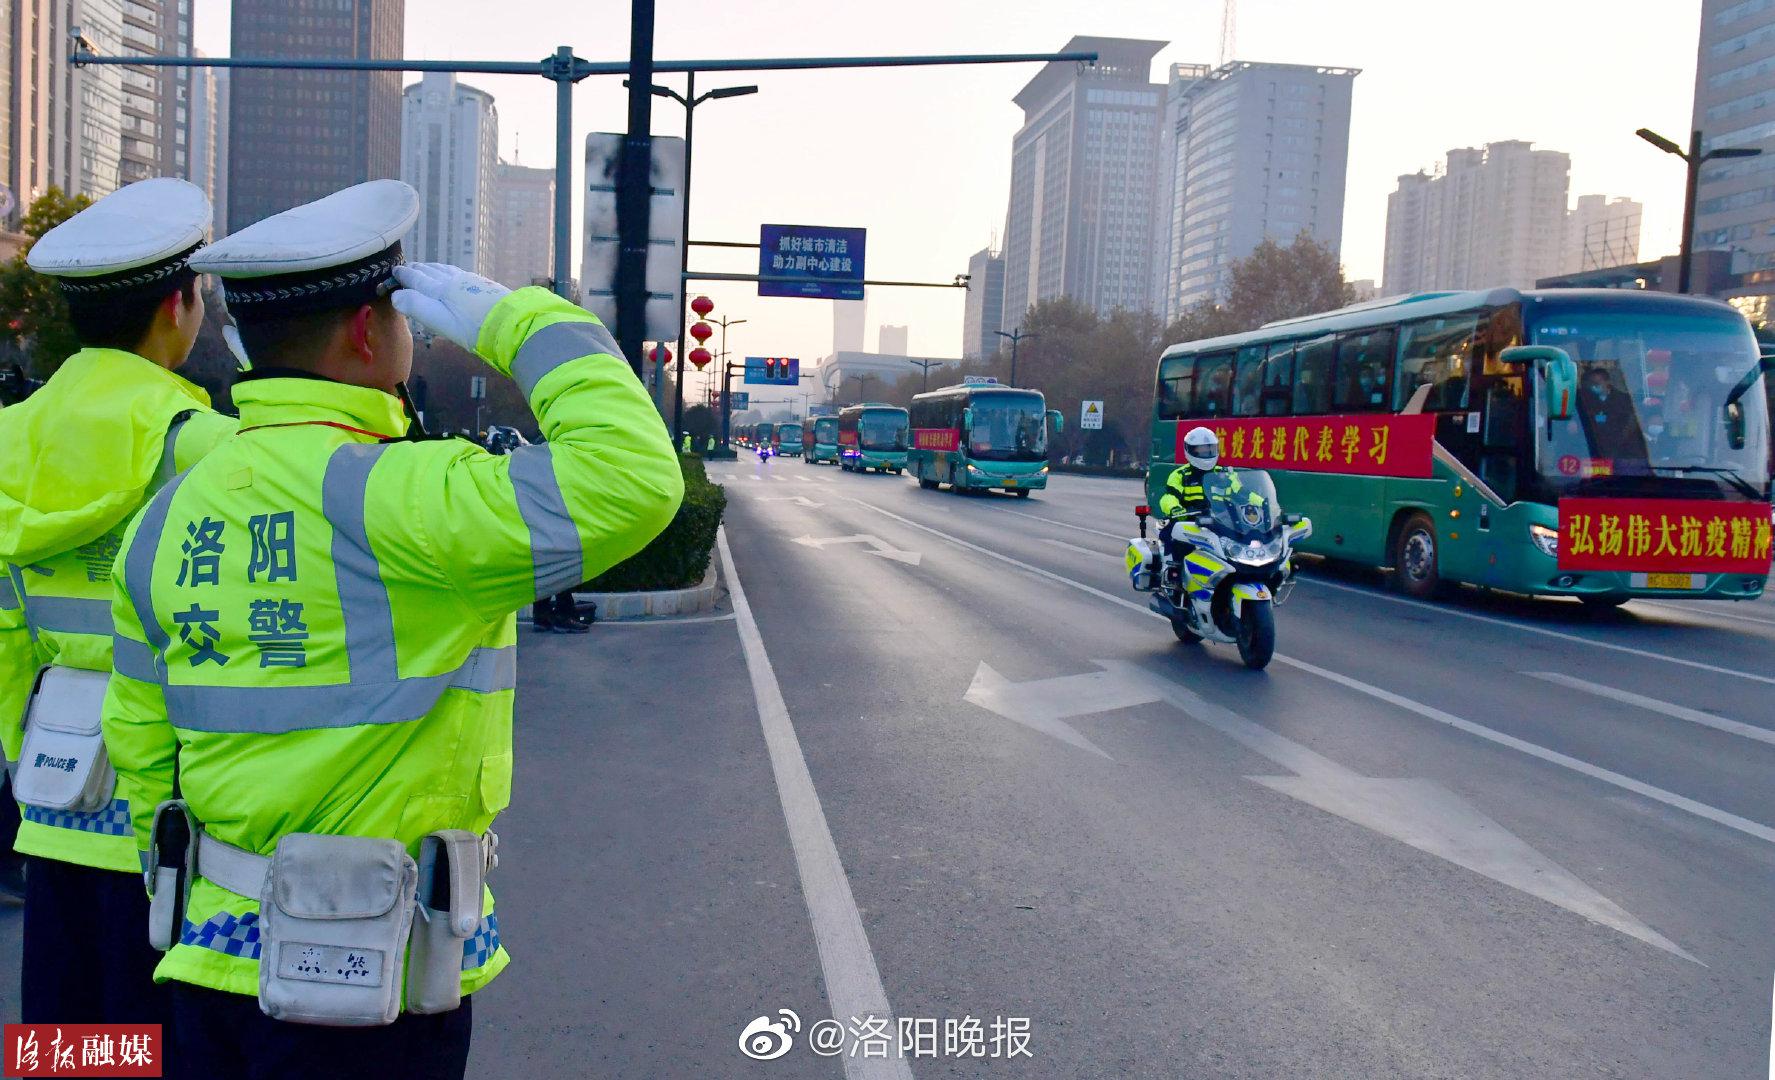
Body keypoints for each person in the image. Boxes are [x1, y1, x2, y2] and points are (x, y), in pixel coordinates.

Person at [101, 180, 682, 1078]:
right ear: (373, 332)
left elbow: (138, 737)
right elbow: (634, 476)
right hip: (367, 979)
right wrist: (518, 322)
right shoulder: (410, 498)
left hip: (207, 964)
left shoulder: (168, 515)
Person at [0, 178, 237, 1025]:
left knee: (69, 1036)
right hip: (174, 810)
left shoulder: (9, 438)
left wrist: (31, 756)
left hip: (54, 797)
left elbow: (5, 629)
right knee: (163, 1042)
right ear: (180, 304)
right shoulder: (209, 449)